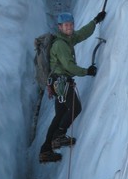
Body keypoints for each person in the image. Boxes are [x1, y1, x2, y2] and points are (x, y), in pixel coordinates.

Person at [39, 10, 106, 163]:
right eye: (66, 25)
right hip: (62, 82)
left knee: (60, 114)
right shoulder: (61, 45)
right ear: (60, 27)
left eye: (71, 25)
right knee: (75, 107)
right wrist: (86, 71)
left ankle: (46, 150)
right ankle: (59, 136)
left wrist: (95, 21)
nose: (69, 28)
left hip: (57, 83)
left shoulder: (68, 39)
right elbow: (68, 66)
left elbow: (82, 34)